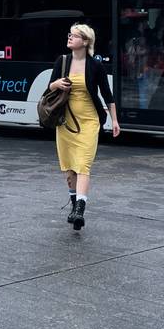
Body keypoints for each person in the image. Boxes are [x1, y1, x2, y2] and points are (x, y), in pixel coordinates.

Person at [47, 24, 120, 231]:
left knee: (83, 165)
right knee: (69, 169)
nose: (70, 37)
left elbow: (108, 96)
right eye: (69, 34)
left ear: (85, 41)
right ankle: (73, 205)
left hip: (89, 121)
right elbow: (49, 87)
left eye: (75, 35)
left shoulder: (95, 66)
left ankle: (79, 210)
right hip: (65, 123)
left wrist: (114, 120)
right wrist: (56, 85)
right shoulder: (62, 61)